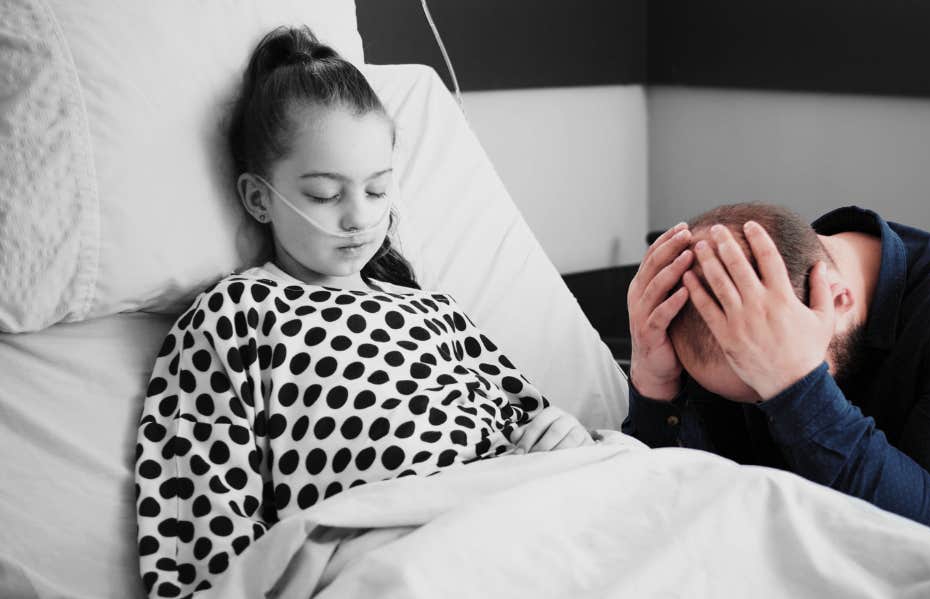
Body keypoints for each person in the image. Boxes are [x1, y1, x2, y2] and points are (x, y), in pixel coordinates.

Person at [133, 26, 590, 599]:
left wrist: (565, 436)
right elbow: (200, 510)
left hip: (524, 506)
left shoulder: (431, 308)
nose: (357, 218)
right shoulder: (237, 314)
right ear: (257, 199)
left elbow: (535, 420)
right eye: (325, 194)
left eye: (376, 192)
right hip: (403, 545)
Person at [623, 202, 930, 537]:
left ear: (837, 299)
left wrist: (796, 386)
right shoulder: (744, 316)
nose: (765, 410)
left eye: (766, 389)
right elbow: (693, 499)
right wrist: (655, 385)